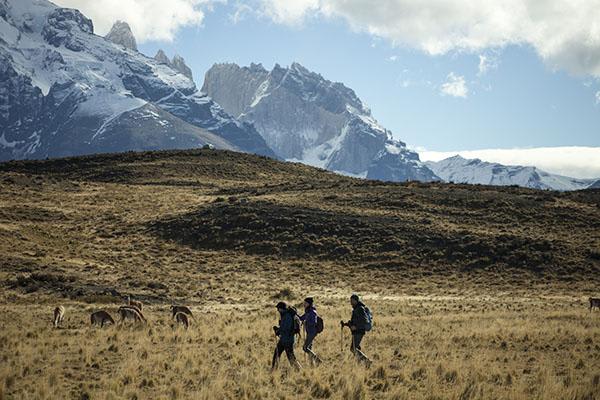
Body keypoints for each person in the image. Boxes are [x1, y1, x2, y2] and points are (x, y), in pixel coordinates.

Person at [340, 294, 372, 366]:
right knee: (356, 348)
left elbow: (364, 321)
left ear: (356, 301)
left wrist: (356, 327)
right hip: (357, 331)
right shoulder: (356, 308)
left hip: (359, 331)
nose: (351, 302)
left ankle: (367, 361)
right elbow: (354, 322)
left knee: (353, 349)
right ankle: (360, 363)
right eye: (350, 301)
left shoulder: (360, 309)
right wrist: (345, 324)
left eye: (352, 301)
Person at [271, 301, 301, 371]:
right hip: (284, 339)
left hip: (288, 340)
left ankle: (298, 370)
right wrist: (279, 330)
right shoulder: (286, 315)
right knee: (277, 354)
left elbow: (286, 329)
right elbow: (284, 328)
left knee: (290, 357)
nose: (278, 310)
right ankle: (274, 369)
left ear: (282, 308)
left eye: (278, 308)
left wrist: (278, 331)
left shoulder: (287, 316)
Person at [299, 297, 322, 365]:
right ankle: (312, 364)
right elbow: (301, 318)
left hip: (312, 332)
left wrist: (306, 322)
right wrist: (295, 314)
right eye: (304, 303)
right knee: (309, 348)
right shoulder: (307, 311)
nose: (304, 304)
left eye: (305, 303)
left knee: (305, 348)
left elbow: (314, 322)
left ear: (309, 303)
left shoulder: (312, 312)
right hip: (309, 332)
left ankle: (317, 360)